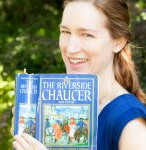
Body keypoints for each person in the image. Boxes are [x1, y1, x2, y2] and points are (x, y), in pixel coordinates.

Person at [13, 0, 146, 150]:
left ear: (118, 42)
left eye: (87, 35)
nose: (70, 48)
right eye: (65, 32)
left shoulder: (133, 126)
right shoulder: (52, 107)